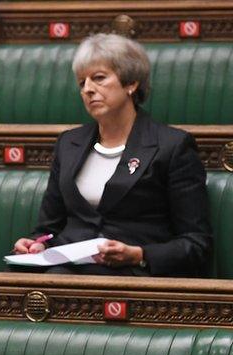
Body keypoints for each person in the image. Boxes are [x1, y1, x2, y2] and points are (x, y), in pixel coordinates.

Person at [11, 33, 211, 277]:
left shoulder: (172, 146)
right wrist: (37, 244)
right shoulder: (68, 143)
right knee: (19, 275)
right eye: (82, 82)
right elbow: (49, 227)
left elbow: (197, 244)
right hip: (68, 266)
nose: (88, 89)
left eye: (99, 78)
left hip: (132, 273)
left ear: (131, 83)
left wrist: (140, 255)